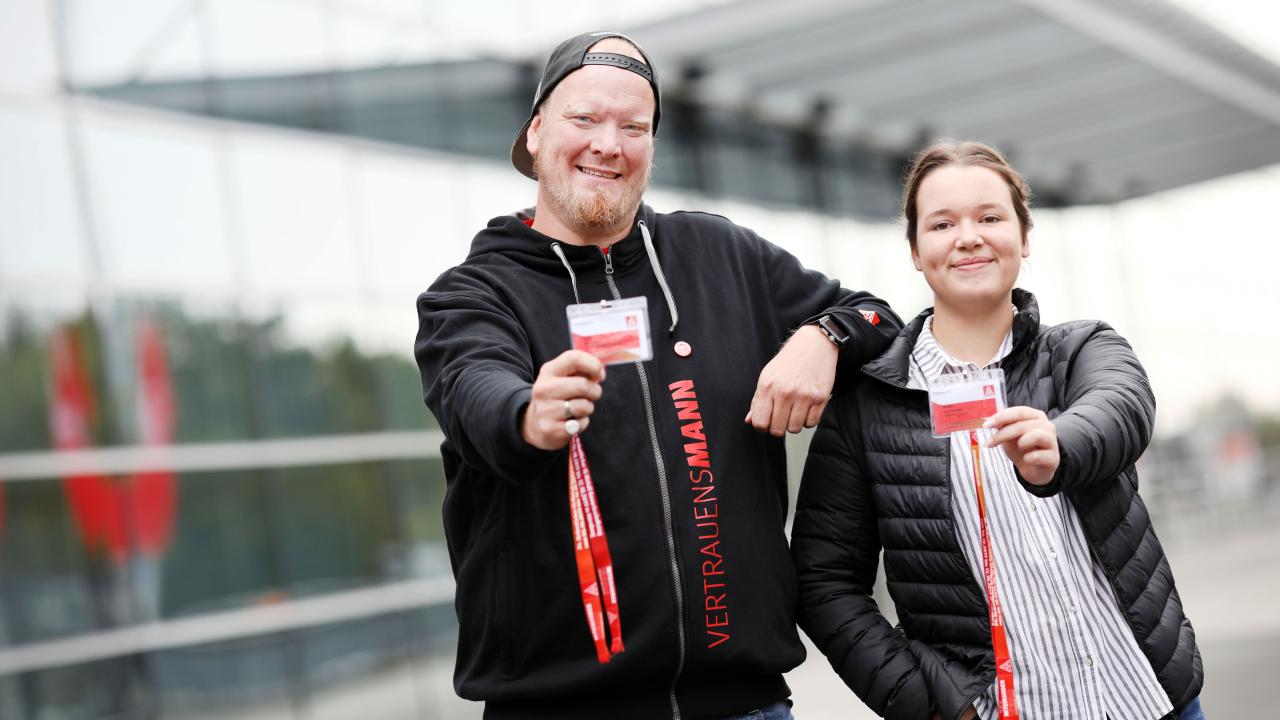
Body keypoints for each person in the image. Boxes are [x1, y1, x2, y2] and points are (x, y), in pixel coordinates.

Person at [413, 31, 902, 720]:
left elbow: (879, 320)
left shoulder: (721, 254)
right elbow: (475, 394)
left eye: (633, 127)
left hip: (748, 706)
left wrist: (824, 336)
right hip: (562, 708)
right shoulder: (473, 294)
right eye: (584, 119)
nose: (608, 144)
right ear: (535, 130)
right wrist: (531, 413)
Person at [791, 141, 1204, 720]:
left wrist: (1057, 447)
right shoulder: (868, 404)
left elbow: (1122, 407)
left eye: (990, 217)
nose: (969, 237)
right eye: (942, 224)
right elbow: (824, 580)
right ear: (915, 249)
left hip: (1145, 698)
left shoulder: (1080, 349)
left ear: (1024, 237)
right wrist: (926, 703)